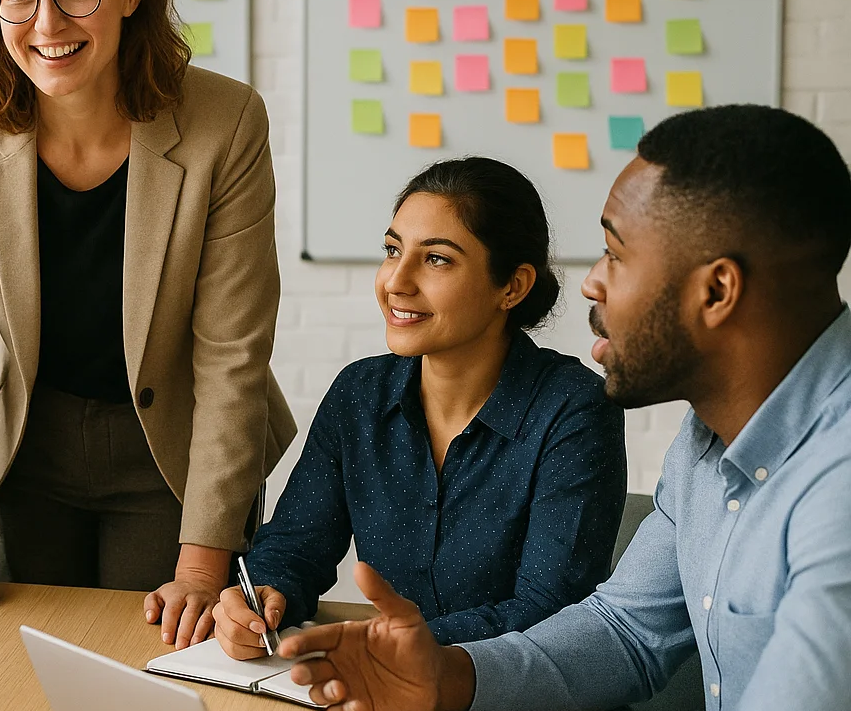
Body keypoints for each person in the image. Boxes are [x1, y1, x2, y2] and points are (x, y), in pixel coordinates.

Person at [279, 105, 851, 711]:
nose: (589, 285)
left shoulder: (838, 481)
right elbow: (625, 633)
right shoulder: (707, 440)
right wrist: (448, 674)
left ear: (716, 292)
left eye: (617, 255)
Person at [0, 0, 295, 649]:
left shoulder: (226, 122)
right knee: (20, 675)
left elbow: (231, 354)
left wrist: (199, 564)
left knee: (158, 670)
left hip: (174, 452)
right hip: (32, 448)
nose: (46, 20)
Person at [213, 158, 626, 659]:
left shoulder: (573, 410)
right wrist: (265, 596)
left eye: (437, 260)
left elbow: (552, 609)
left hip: (516, 698)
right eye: (393, 251)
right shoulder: (359, 393)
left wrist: (392, 645)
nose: (396, 281)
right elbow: (296, 545)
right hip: (385, 685)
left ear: (512, 286)